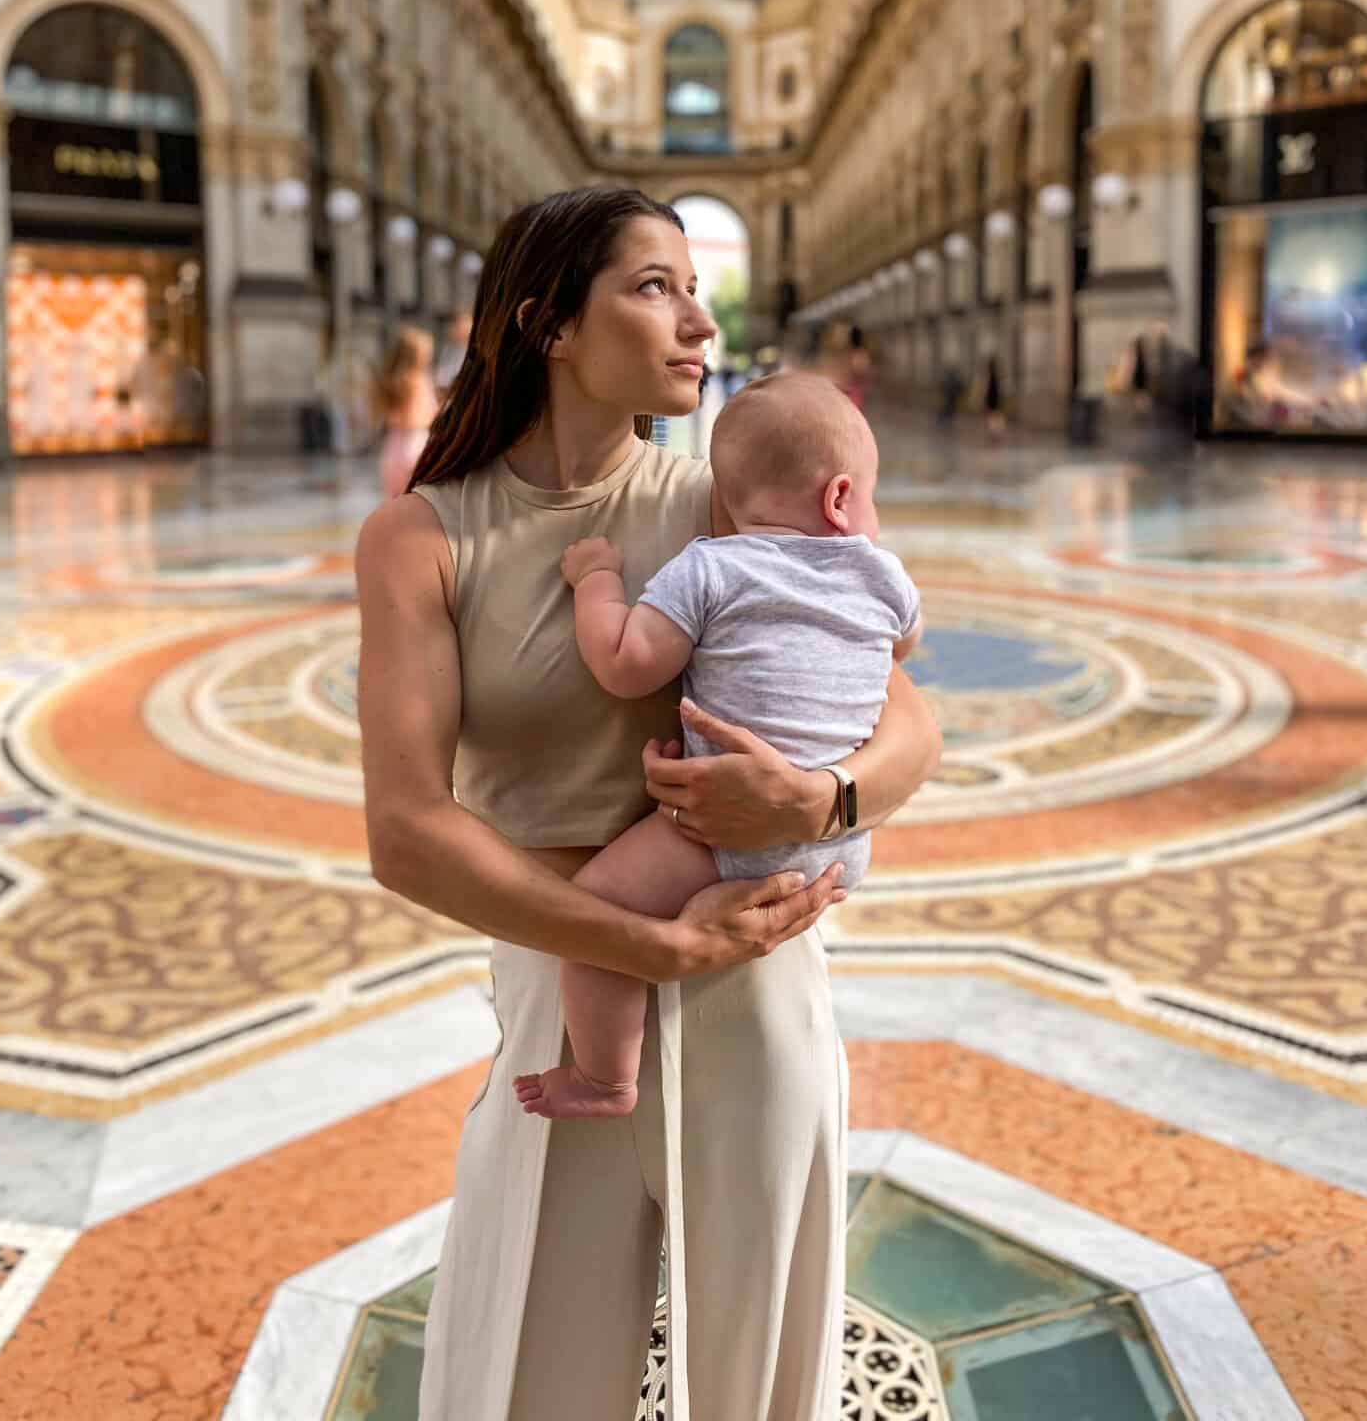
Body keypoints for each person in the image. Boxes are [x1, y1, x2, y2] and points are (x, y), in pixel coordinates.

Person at [354, 188, 940, 1421]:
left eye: (694, 287)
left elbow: (908, 719)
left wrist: (821, 795)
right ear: (548, 325)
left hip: (756, 967)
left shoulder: (720, 501)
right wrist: (646, 941)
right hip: (570, 986)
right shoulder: (420, 536)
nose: (699, 320)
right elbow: (406, 830)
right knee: (536, 1359)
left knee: (761, 1365)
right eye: (654, 286)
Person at [513, 371, 921, 1122]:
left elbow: (626, 666)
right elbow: (902, 649)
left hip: (713, 838)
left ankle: (605, 1078)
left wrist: (597, 583)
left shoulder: (710, 566)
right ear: (839, 498)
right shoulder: (884, 580)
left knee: (597, 917)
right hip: (840, 852)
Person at [376, 325, 438, 499]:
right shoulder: (418, 380)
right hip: (416, 447)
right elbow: (415, 419)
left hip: (392, 449)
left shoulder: (389, 380)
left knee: (395, 503)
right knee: (417, 507)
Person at [433, 309, 473, 394]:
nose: (452, 328)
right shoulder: (448, 348)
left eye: (458, 324)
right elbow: (441, 376)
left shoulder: (471, 352)